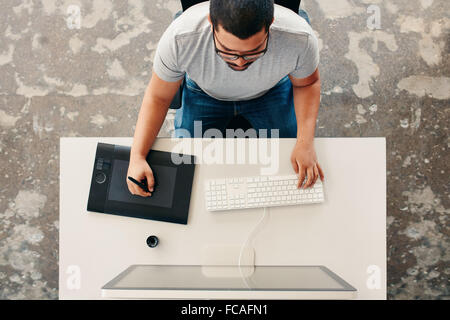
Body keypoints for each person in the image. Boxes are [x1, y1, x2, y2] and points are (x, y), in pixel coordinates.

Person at [127, 0, 324, 197]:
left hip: (271, 91)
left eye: (252, 52)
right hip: (203, 93)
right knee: (184, 165)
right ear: (211, 21)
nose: (239, 63)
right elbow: (158, 96)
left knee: (289, 165)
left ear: (270, 24)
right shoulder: (179, 38)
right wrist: (137, 156)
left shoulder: (299, 38)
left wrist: (305, 143)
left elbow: (307, 84)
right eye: (227, 51)